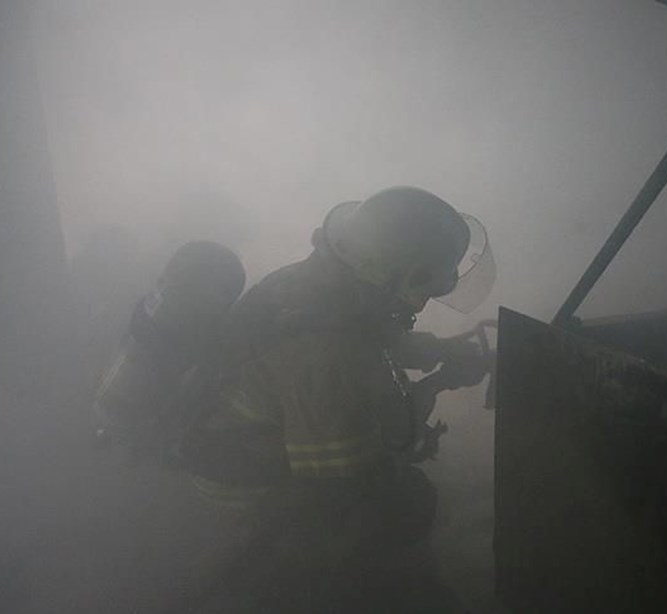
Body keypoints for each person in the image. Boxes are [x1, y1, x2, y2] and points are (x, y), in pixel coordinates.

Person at [183, 186, 494, 612]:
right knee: (401, 502)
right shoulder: (323, 353)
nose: (422, 301)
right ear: (386, 270)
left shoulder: (323, 283)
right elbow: (347, 476)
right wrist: (438, 385)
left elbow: (372, 337)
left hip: (250, 437)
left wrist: (441, 350)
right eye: (422, 284)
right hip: (246, 483)